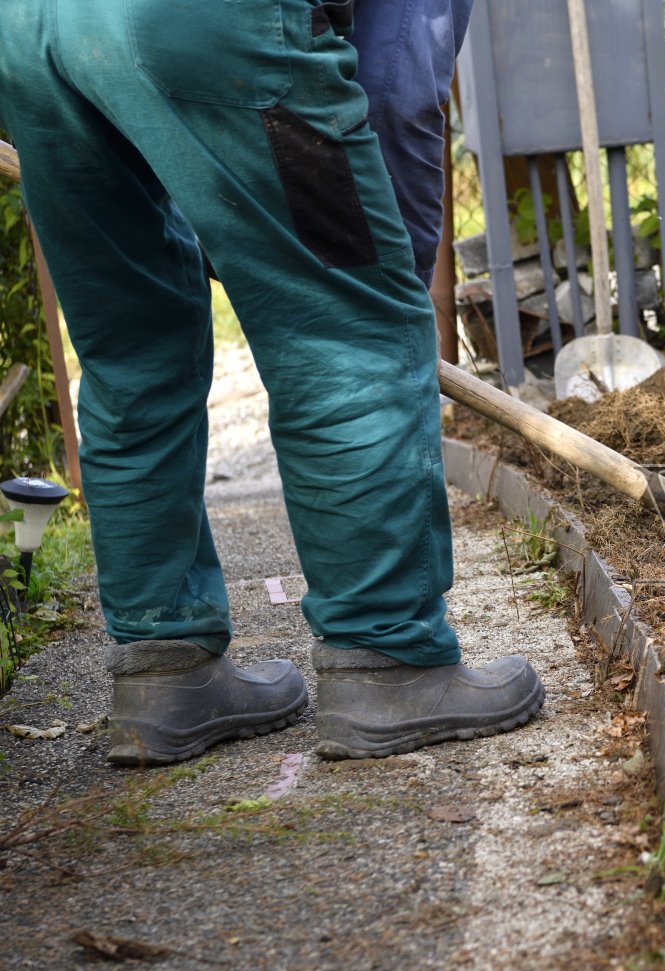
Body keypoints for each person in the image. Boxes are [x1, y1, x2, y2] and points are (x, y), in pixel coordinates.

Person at [0, 0, 543, 764]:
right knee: (347, 327)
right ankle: (385, 660)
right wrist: (388, 298)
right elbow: (403, 89)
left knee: (132, 346)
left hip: (32, 36)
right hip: (203, 23)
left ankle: (165, 672)